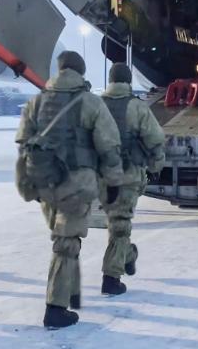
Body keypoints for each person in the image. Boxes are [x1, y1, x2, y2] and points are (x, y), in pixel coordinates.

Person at [15, 51, 125, 329]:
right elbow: (109, 147)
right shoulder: (90, 103)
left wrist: (27, 183)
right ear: (81, 71)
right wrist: (113, 183)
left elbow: (23, 144)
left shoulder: (36, 101)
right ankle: (56, 308)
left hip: (44, 182)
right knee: (66, 244)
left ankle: (68, 296)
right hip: (76, 184)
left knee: (63, 239)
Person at [98, 63, 165, 296]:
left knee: (116, 223)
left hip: (102, 178)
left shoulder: (96, 105)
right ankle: (111, 278)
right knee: (120, 227)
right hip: (127, 176)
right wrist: (156, 165)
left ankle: (128, 256)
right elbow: (155, 138)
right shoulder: (136, 107)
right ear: (128, 82)